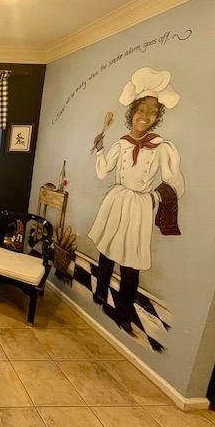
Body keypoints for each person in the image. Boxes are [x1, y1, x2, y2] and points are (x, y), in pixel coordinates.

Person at [89, 67, 184, 333]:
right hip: (117, 200)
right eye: (141, 109)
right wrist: (99, 150)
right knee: (107, 248)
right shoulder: (121, 144)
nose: (145, 115)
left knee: (131, 258)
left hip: (139, 204)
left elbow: (174, 180)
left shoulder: (162, 147)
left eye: (152, 112)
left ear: (157, 117)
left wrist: (154, 196)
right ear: (132, 113)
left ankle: (124, 310)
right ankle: (100, 291)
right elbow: (102, 171)